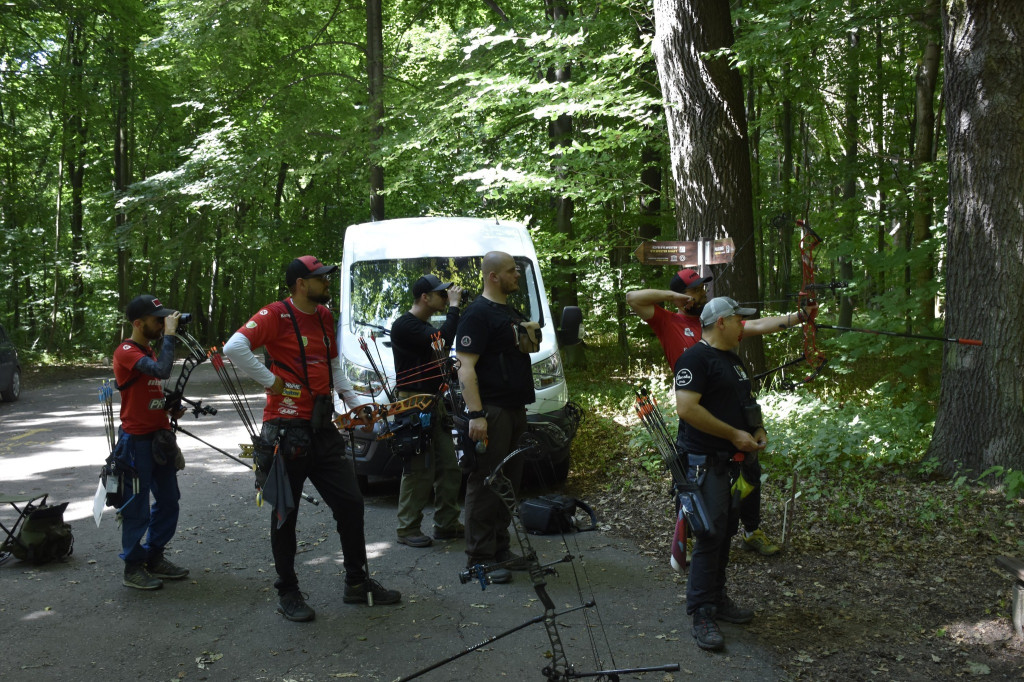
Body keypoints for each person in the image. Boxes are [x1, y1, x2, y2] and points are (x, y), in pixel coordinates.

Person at [223, 255, 400, 622]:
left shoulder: (324, 316)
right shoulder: (275, 314)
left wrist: (353, 403)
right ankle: (287, 591)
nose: (326, 282)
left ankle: (356, 582)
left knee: (350, 503)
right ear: (301, 283)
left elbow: (333, 366)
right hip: (285, 433)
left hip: (322, 430)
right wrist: (271, 381)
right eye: (319, 278)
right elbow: (234, 348)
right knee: (284, 514)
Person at [626, 268, 813, 556]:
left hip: (728, 407)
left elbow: (760, 324)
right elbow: (632, 297)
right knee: (689, 478)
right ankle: (686, 537)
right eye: (696, 289)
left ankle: (751, 530)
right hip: (697, 410)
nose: (703, 293)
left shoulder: (717, 323)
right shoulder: (669, 321)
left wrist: (799, 317)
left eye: (703, 288)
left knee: (748, 468)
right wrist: (674, 297)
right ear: (683, 295)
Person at [674, 296, 766, 651]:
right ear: (722, 322)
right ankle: (701, 612)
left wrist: (757, 430)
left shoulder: (732, 360)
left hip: (735, 464)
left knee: (726, 531)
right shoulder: (695, 358)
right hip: (706, 463)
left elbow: (746, 403)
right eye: (739, 320)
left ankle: (718, 599)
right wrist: (732, 434)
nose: (744, 326)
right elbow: (686, 408)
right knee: (710, 535)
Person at [455, 251, 537, 584]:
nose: (517, 275)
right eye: (510, 271)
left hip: (515, 408)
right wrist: (476, 414)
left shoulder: (509, 312)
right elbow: (465, 368)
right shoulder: (477, 314)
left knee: (509, 482)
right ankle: (480, 557)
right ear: (493, 276)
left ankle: (500, 548)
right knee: (486, 481)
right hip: (491, 410)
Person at [112, 294, 190, 590]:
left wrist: (170, 408)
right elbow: (162, 371)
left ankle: (154, 556)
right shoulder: (127, 351)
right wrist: (170, 335)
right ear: (138, 322)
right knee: (136, 507)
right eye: (157, 320)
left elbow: (153, 389)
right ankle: (133, 566)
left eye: (164, 320)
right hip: (136, 443)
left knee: (169, 501)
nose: (161, 324)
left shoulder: (149, 353)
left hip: (160, 439)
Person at [389, 274, 465, 548]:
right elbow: (442, 340)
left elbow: (441, 346)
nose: (445, 298)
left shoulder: (423, 326)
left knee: (449, 466)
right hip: (412, 406)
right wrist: (454, 308)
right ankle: (407, 528)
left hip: (434, 404)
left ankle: (447, 524)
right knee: (418, 469)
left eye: (447, 295)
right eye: (441, 294)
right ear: (425, 297)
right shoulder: (405, 325)